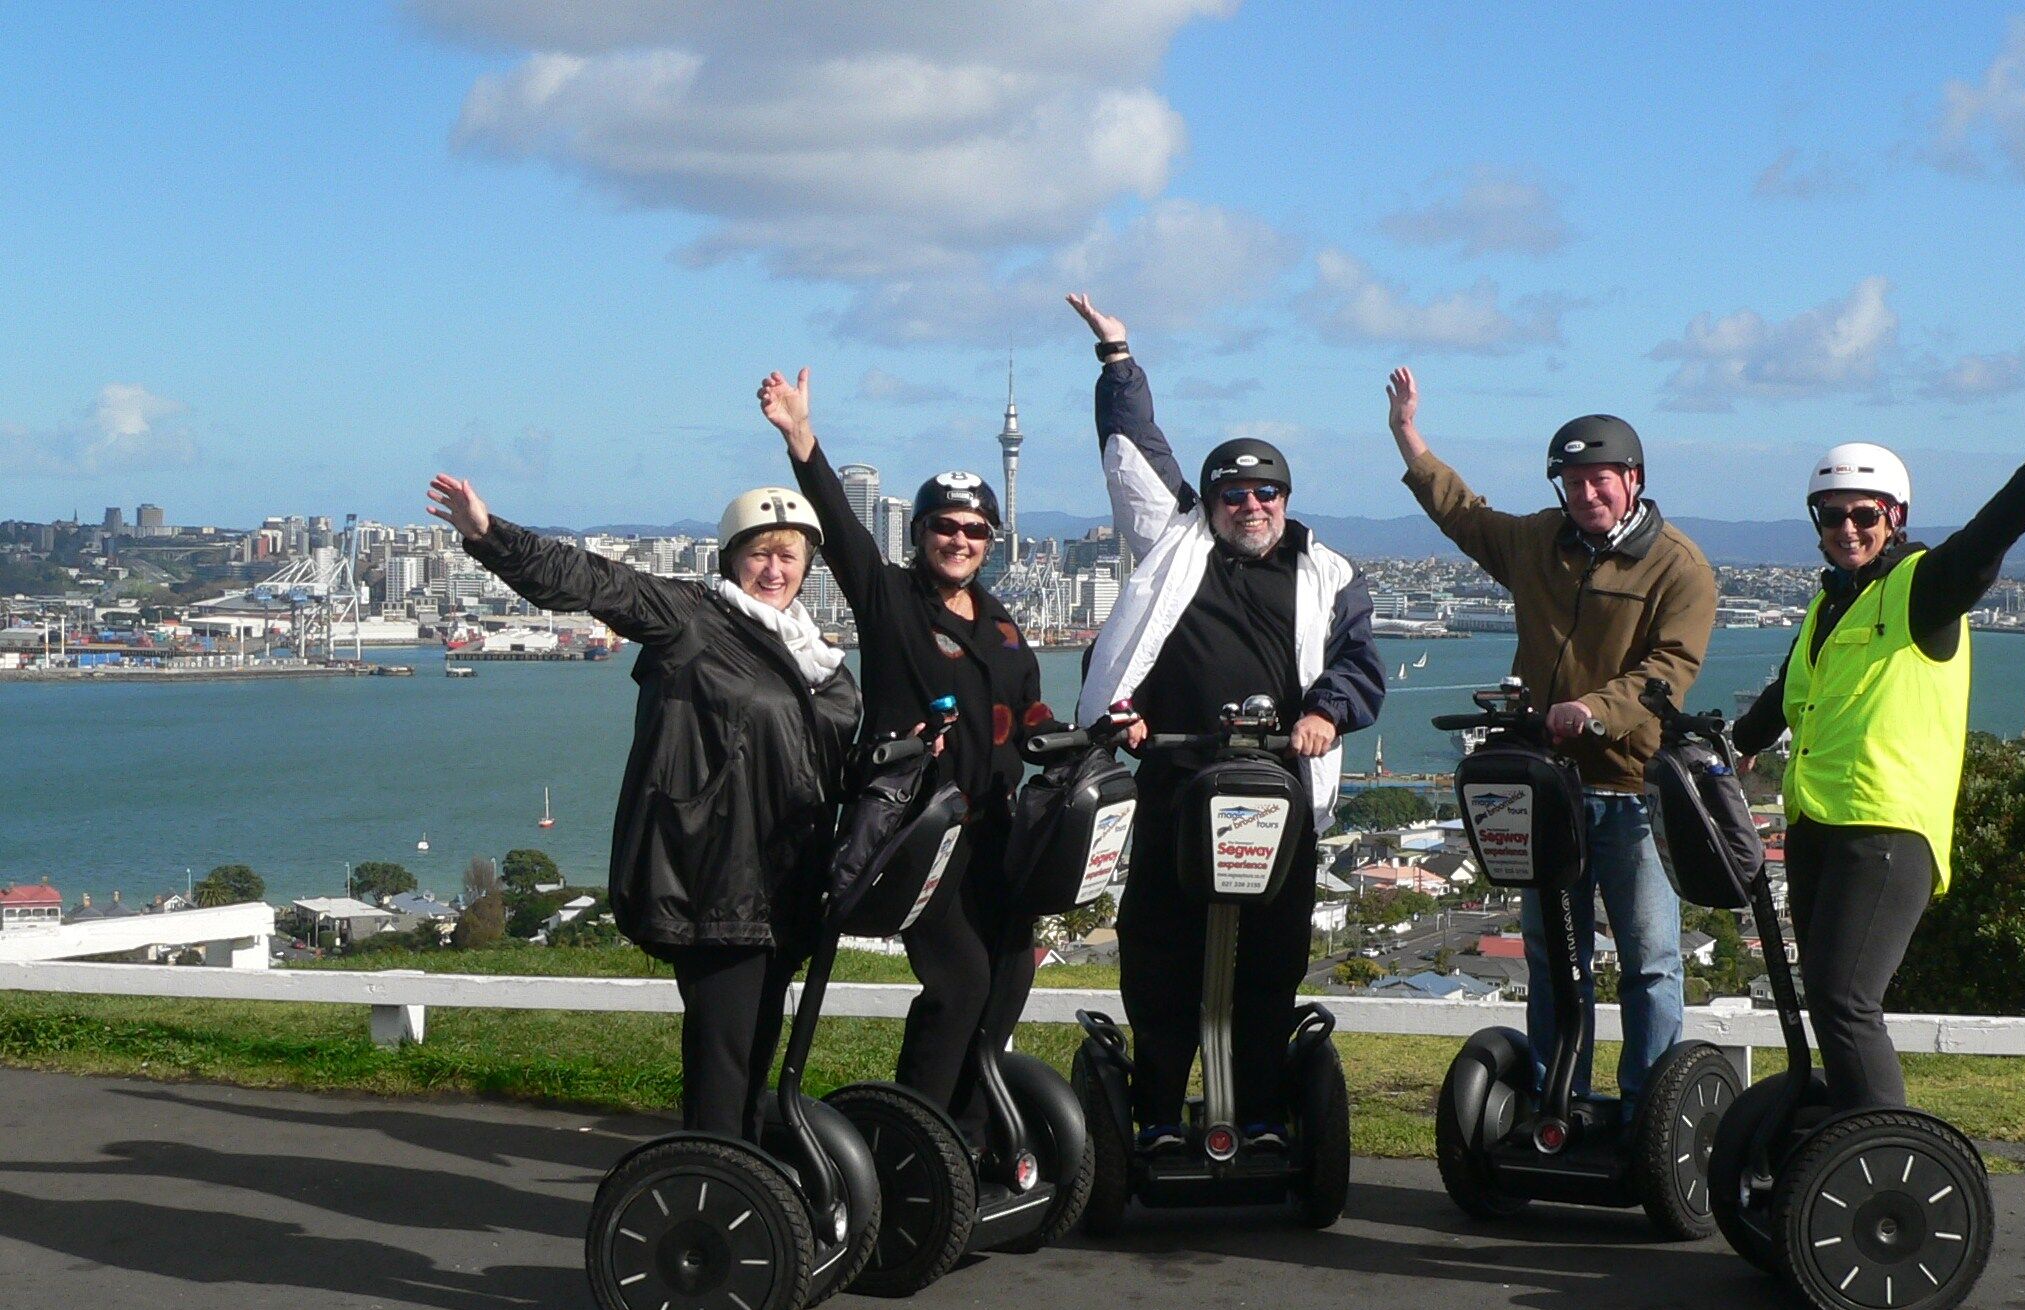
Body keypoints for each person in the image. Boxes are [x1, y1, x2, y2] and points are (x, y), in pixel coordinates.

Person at [426, 472, 858, 1142]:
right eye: (759, 553)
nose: (773, 569)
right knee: (723, 1059)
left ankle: (749, 1190)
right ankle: (714, 1195)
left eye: (788, 556)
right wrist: (491, 535)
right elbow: (593, 580)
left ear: (807, 567)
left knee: (754, 1055)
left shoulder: (817, 655)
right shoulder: (692, 617)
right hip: (716, 882)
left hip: (788, 886)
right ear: (731, 557)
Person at [1067, 293, 1386, 1154]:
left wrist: (1325, 714)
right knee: (1160, 956)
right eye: (1236, 492)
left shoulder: (1327, 571)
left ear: (1286, 499)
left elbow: (1361, 667)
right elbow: (1135, 451)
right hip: (1174, 785)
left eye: (1268, 491)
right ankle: (1162, 1113)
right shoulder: (1175, 543)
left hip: (1278, 798)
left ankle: (1258, 1114)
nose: (1253, 504)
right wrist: (1118, 359)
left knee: (1270, 966)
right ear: (1209, 500)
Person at [1729, 426, 2025, 1112]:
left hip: (1887, 830)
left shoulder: (1919, 588)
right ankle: (1845, 1140)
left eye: (1864, 514)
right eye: (1832, 514)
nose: (1847, 528)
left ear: (1895, 518)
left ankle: (1886, 1158)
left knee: (1847, 1000)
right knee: (1824, 999)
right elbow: (1791, 689)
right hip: (1818, 822)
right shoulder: (1828, 602)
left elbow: (1979, 550)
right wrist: (1739, 741)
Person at [1386, 367, 1716, 1118]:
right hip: (1547, 793)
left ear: (1632, 479)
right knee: (1553, 961)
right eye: (1573, 481)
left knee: (1650, 964)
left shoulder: (1680, 565)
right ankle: (1555, 1098)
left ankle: (1647, 1116)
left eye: (1600, 480)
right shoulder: (1538, 540)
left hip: (1633, 793)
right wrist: (1410, 437)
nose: (1587, 494)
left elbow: (1670, 670)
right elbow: (1465, 516)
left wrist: (1593, 710)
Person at [757, 366, 1054, 1157]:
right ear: (920, 534)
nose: (959, 541)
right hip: (923, 829)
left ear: (992, 541)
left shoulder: (1003, 625)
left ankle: (974, 1132)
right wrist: (801, 439)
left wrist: (1088, 737)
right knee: (959, 985)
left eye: (974, 531)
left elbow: (1028, 717)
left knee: (1009, 980)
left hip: (994, 835)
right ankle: (910, 1144)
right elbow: (842, 533)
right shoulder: (890, 601)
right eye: (944, 527)